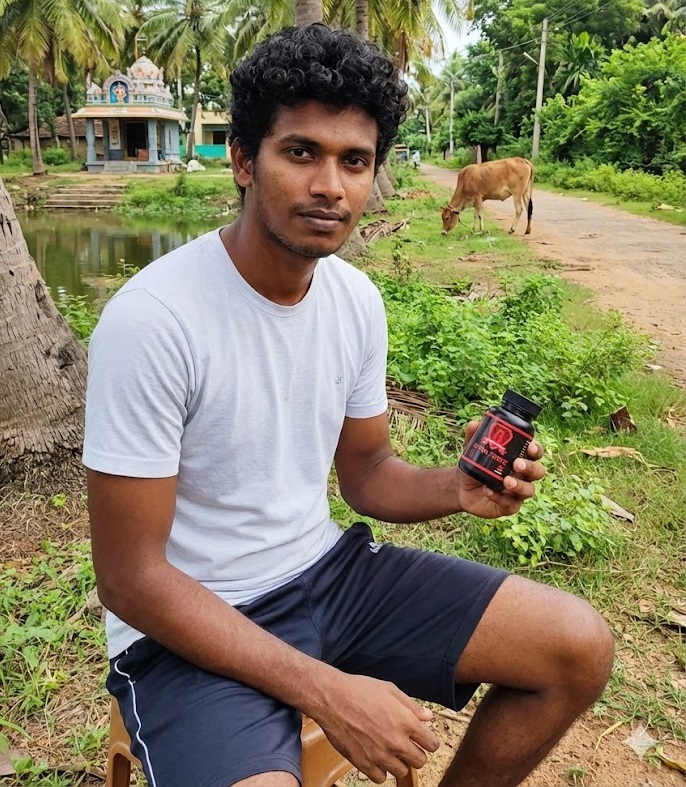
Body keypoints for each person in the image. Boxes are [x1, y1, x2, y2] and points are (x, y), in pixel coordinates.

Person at [84, 24, 615, 787]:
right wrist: (327, 689)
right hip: (183, 627)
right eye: (301, 152)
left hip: (327, 574)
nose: (330, 185)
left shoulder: (355, 299)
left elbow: (366, 473)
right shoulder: (153, 320)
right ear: (242, 159)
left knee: (577, 645)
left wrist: (456, 487)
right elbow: (130, 577)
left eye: (354, 161)